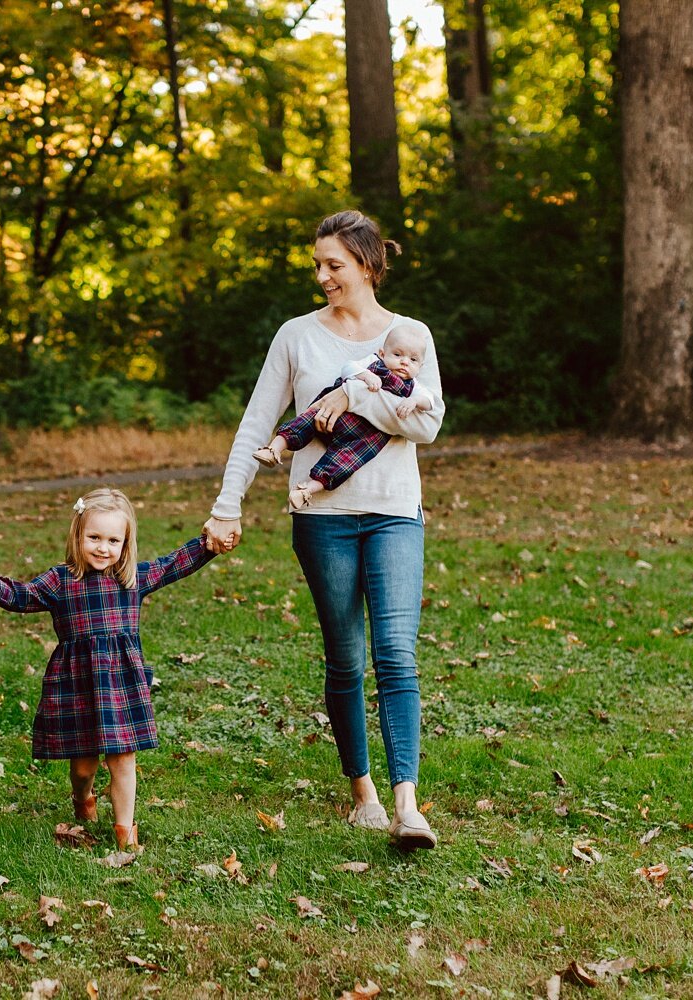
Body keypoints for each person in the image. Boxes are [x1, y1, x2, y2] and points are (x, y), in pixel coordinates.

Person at [203, 209, 444, 851]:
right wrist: (229, 505)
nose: (322, 276)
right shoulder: (296, 337)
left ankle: (407, 805)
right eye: (318, 264)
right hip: (322, 519)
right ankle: (362, 790)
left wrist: (348, 398)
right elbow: (258, 427)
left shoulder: (410, 334)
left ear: (366, 265)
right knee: (345, 656)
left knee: (395, 653)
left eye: (333, 264)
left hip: (395, 511)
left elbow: (426, 425)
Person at [0, 488, 215, 852]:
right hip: (78, 684)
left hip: (121, 684)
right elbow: (19, 596)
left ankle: (125, 833)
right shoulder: (60, 581)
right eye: (94, 537)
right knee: (83, 767)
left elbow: (174, 563)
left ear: (125, 544)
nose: (102, 548)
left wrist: (208, 543)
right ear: (77, 535)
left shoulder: (132, 579)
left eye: (113, 540)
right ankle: (84, 798)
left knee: (123, 759)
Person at [253, 325, 434, 511]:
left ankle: (306, 490)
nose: (405, 362)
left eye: (413, 360)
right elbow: (348, 368)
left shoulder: (413, 387)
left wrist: (414, 402)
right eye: (397, 355)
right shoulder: (373, 362)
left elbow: (429, 402)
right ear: (382, 353)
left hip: (365, 437)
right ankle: (274, 448)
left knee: (344, 463)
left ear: (420, 367)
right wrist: (364, 375)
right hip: (337, 414)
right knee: (308, 419)